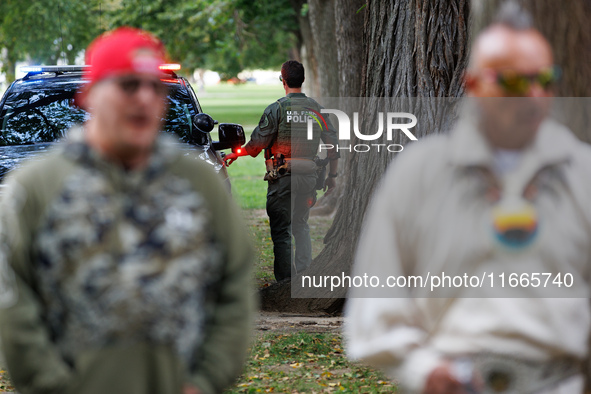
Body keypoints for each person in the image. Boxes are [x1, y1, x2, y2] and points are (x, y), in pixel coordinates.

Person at [345, 4, 591, 394]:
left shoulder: (583, 174)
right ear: (473, 84)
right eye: (512, 81)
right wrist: (423, 368)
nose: (532, 94)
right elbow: (376, 300)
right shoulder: (419, 174)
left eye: (543, 79)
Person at [0, 27, 255, 394]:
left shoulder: (199, 182)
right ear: (88, 97)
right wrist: (52, 384)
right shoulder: (35, 185)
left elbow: (235, 285)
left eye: (155, 88)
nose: (145, 98)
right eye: (128, 86)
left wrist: (205, 381)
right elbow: (13, 302)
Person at [224, 60, 339, 281]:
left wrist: (234, 154)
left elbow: (257, 144)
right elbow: (333, 147)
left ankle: (286, 283)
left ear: (283, 80)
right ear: (302, 80)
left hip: (283, 178)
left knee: (281, 230)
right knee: (301, 224)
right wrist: (332, 177)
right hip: (309, 178)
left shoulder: (276, 109)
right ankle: (305, 273)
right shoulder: (317, 110)